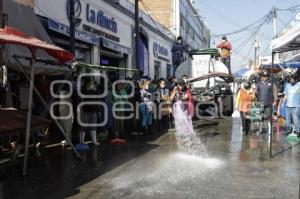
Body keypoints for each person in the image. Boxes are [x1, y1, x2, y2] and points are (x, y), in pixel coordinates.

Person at [79, 79, 99, 145]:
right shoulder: (84, 91)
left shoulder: (95, 91)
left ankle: (94, 140)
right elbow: (82, 100)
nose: (92, 84)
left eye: (92, 83)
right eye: (91, 83)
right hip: (86, 110)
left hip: (93, 110)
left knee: (93, 126)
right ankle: (82, 141)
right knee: (84, 126)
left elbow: (97, 101)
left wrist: (98, 110)